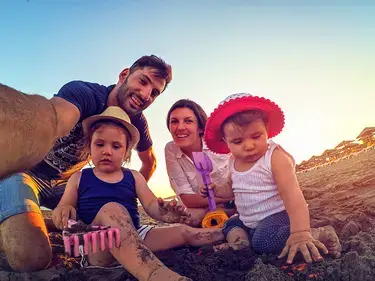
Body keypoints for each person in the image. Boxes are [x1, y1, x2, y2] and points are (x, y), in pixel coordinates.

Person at [0, 55, 173, 272]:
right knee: (30, 257)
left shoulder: (136, 121)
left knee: (108, 225)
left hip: (67, 183)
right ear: (124, 76)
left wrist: (124, 192)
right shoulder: (85, 94)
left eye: (155, 92)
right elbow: (54, 116)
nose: (146, 95)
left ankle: (40, 219)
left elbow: (150, 162)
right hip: (26, 173)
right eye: (143, 81)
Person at [52, 106, 224, 281]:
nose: (107, 151)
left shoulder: (133, 176)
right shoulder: (79, 177)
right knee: (112, 209)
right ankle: (156, 275)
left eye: (116, 146)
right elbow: (64, 205)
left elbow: (150, 205)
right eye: (100, 144)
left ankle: (225, 233)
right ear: (90, 146)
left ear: (126, 153)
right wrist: (64, 211)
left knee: (184, 232)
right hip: (99, 246)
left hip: (136, 236)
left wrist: (165, 214)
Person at [201, 93, 342, 264]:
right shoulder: (233, 161)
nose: (249, 146)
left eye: (256, 136)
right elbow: (231, 188)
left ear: (266, 130)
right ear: (226, 141)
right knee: (230, 224)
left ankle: (316, 233)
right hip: (249, 219)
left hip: (278, 214)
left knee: (263, 241)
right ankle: (241, 244)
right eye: (237, 141)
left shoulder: (274, 157)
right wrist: (216, 189)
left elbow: (293, 196)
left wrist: (300, 232)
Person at [165, 99, 236, 227]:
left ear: (200, 128)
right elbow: (188, 199)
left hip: (235, 202)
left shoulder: (219, 143)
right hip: (202, 207)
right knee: (186, 221)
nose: (180, 127)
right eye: (174, 121)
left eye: (188, 121)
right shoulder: (171, 149)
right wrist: (227, 199)